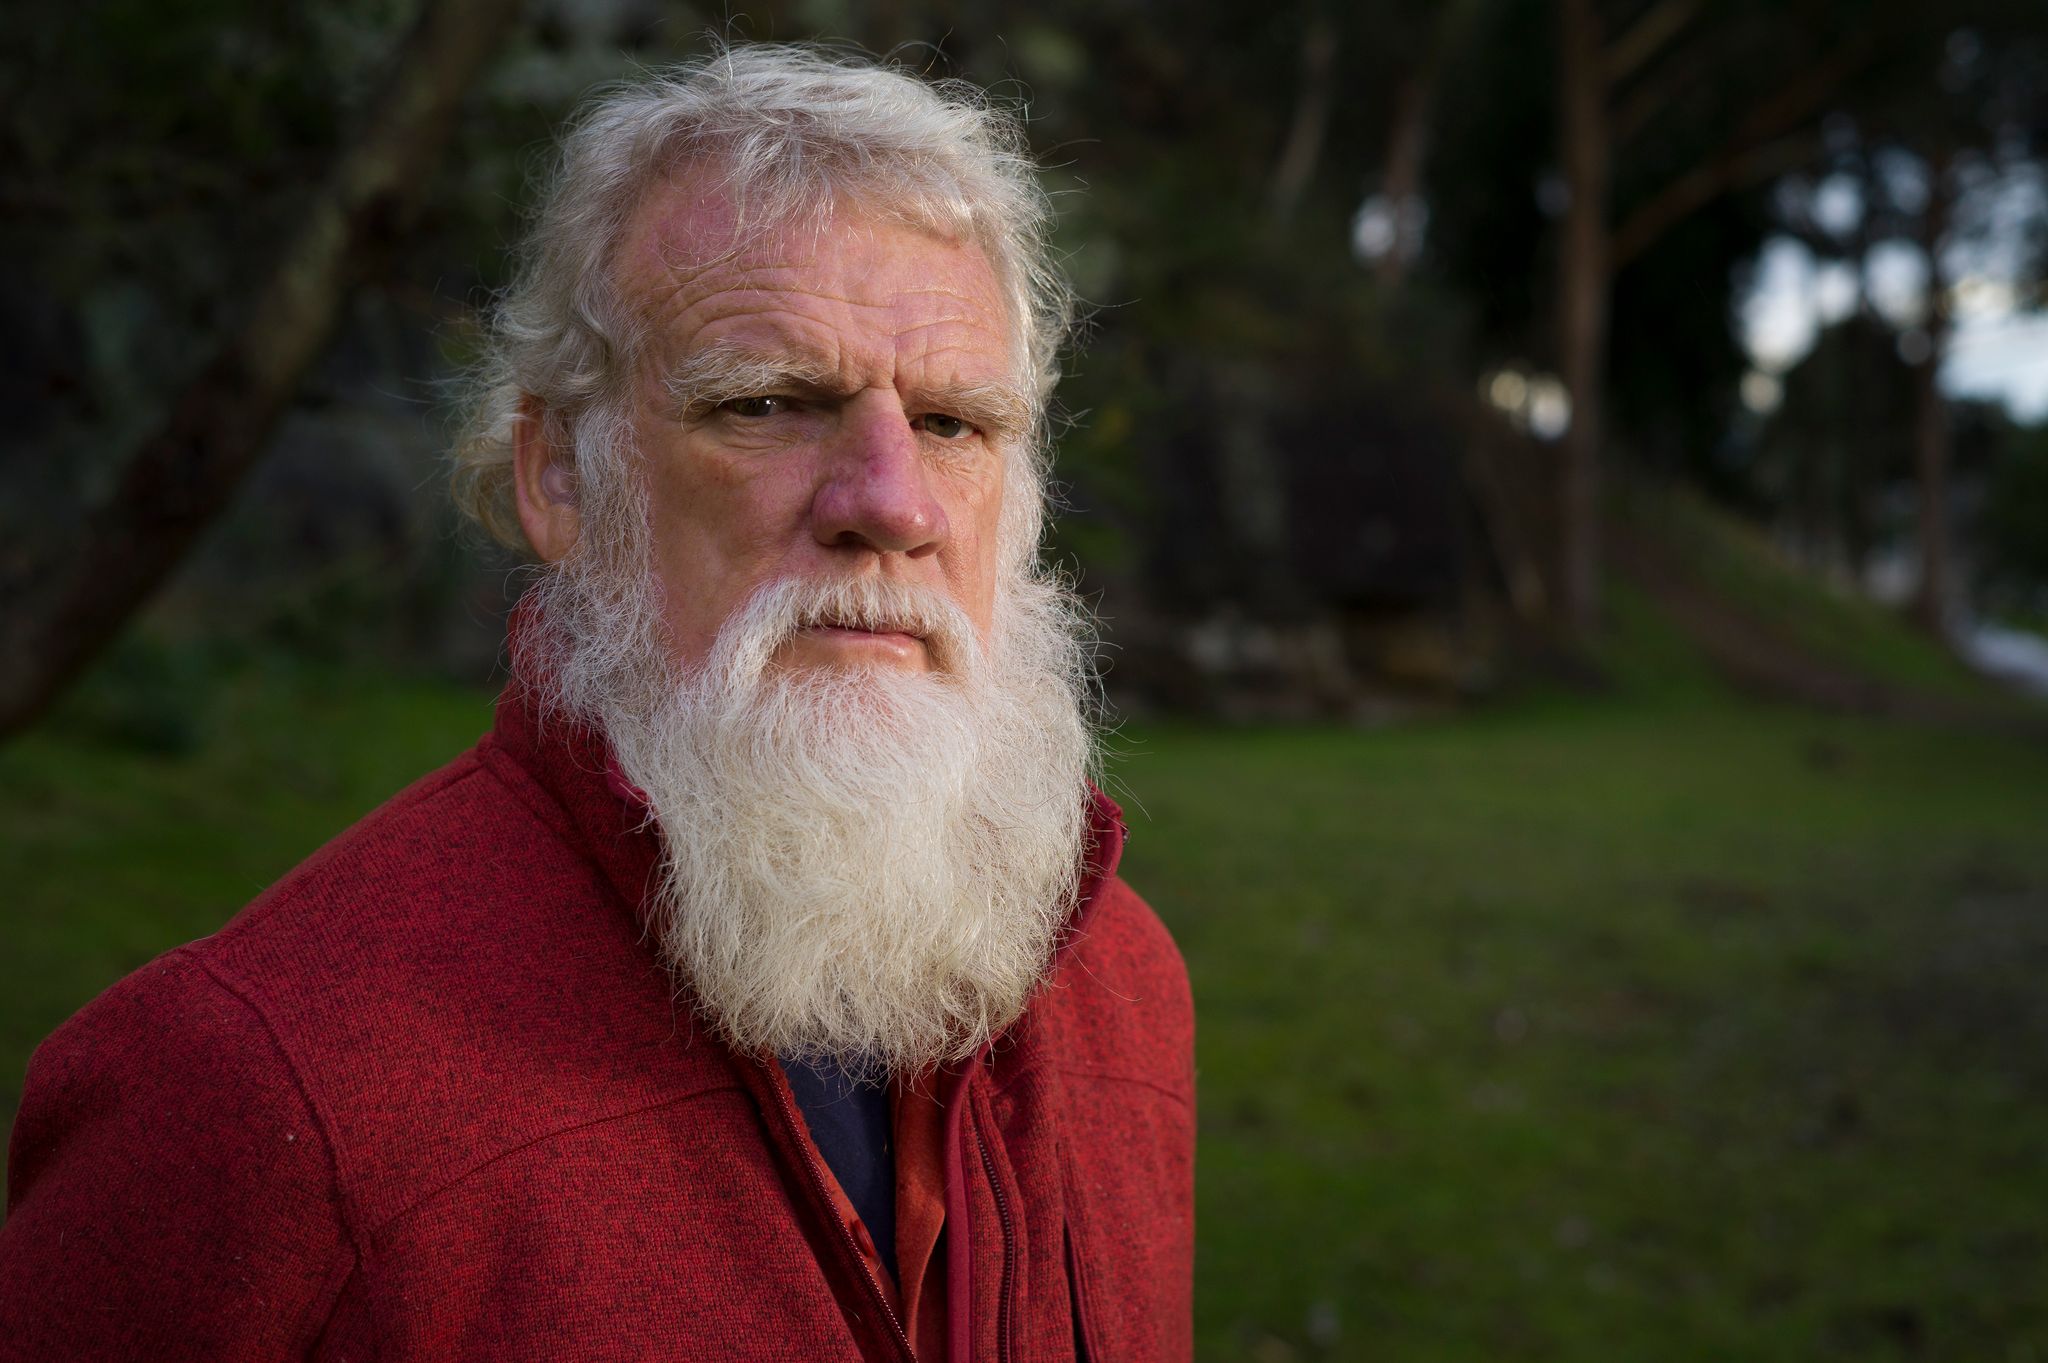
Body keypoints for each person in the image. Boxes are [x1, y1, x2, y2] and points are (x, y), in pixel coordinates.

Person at [0, 44, 1194, 1362]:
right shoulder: (245, 1089)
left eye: (957, 423)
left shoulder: (1123, 992)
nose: (892, 504)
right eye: (768, 402)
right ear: (559, 476)